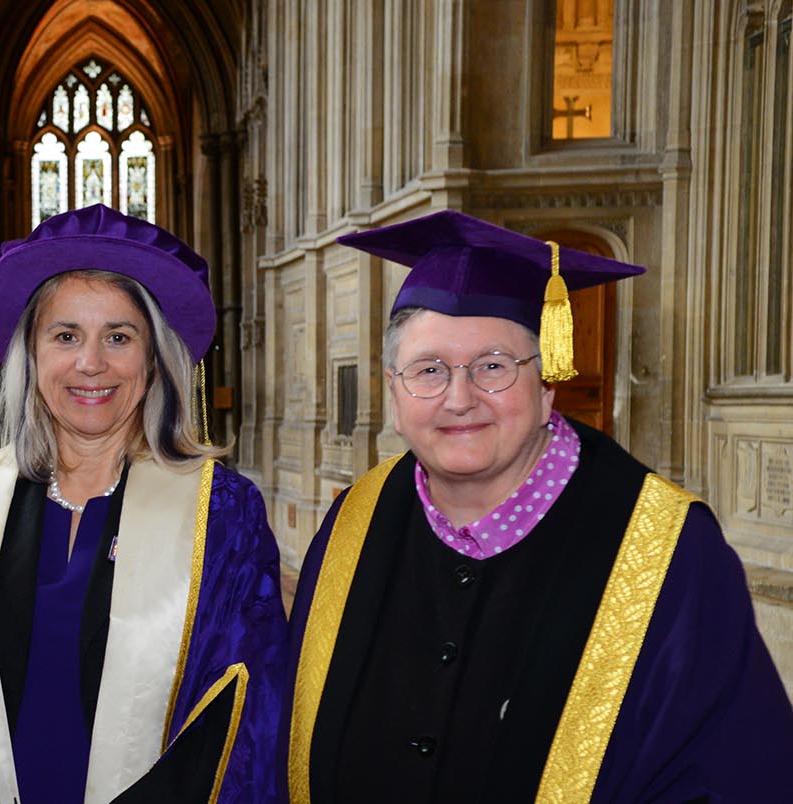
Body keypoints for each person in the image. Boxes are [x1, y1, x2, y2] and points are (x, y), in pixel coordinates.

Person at [285, 210, 793, 803]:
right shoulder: (353, 524)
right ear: (394, 392)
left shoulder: (667, 552)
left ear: (547, 382)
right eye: (427, 370)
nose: (459, 398)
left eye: (494, 367)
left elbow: (732, 774)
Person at [0, 204, 288, 804]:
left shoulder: (221, 516)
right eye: (65, 336)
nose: (91, 364)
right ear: (31, 358)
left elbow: (246, 711)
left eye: (119, 336)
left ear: (154, 358)